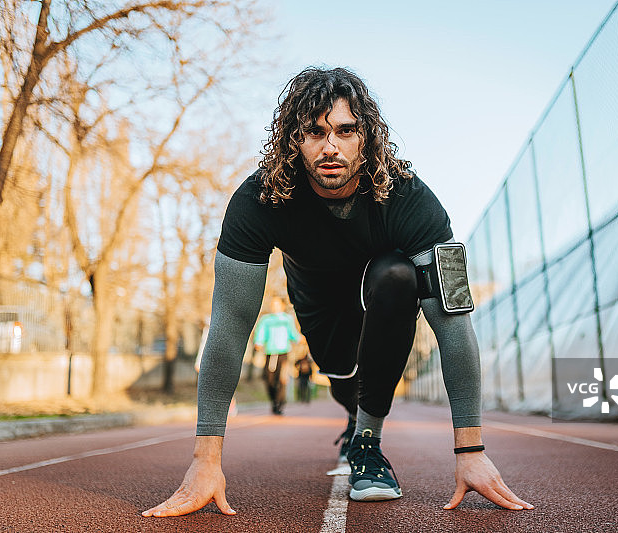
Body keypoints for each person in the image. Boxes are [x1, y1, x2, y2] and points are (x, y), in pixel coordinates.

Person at [143, 67, 533, 517]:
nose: (331, 147)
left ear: (366, 137)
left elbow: (453, 321)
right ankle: (354, 415)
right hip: (317, 305)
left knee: (397, 274)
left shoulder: (411, 199)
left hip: (382, 294)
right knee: (346, 385)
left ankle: (367, 442)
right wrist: (204, 460)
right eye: (315, 132)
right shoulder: (259, 199)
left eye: (346, 131)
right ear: (294, 140)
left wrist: (471, 449)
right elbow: (229, 327)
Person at [253, 297, 300, 414]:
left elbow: (293, 333)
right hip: (270, 353)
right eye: (273, 304)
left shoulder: (287, 319)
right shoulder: (266, 320)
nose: (274, 306)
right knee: (269, 379)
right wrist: (258, 342)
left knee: (281, 379)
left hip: (283, 353)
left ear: (282, 306)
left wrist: (300, 339)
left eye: (277, 304)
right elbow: (261, 332)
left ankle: (279, 404)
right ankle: (273, 401)